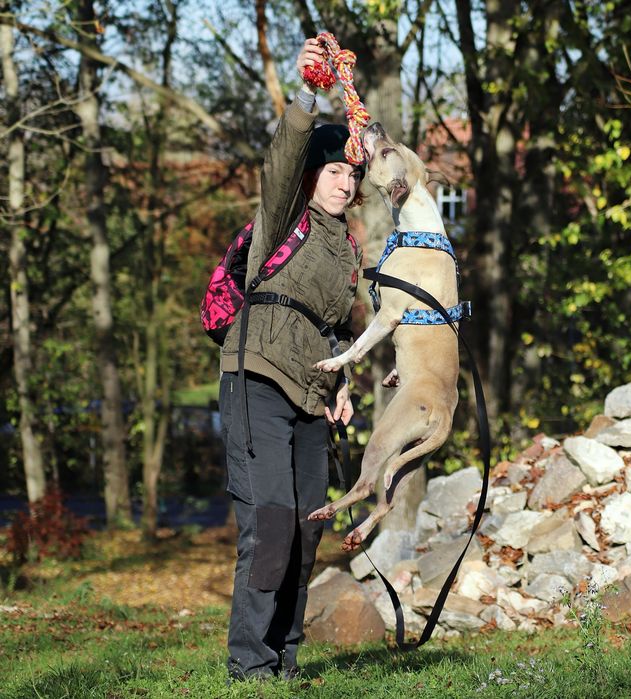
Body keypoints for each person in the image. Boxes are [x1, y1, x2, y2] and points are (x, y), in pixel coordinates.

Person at [218, 38, 364, 682]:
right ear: (314, 175)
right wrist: (310, 95)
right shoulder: (286, 216)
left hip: (313, 393)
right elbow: (281, 163)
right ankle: (249, 663)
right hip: (257, 377)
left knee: (307, 532)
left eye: (352, 172)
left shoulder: (349, 251)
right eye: (334, 170)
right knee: (272, 523)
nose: (346, 180)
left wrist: (346, 383)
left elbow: (339, 329)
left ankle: (285, 660)